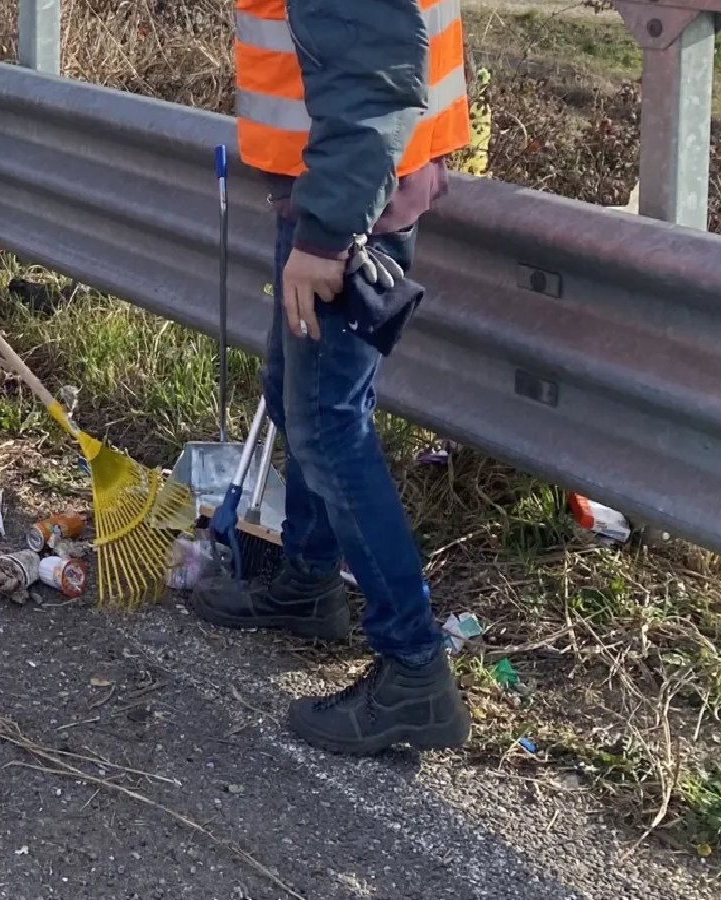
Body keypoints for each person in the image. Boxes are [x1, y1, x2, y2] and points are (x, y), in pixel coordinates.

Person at [192, 0, 474, 755]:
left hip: (352, 196)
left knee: (326, 424)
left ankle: (415, 667)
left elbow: (372, 74)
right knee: (298, 396)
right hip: (343, 180)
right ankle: (310, 580)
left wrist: (324, 232)